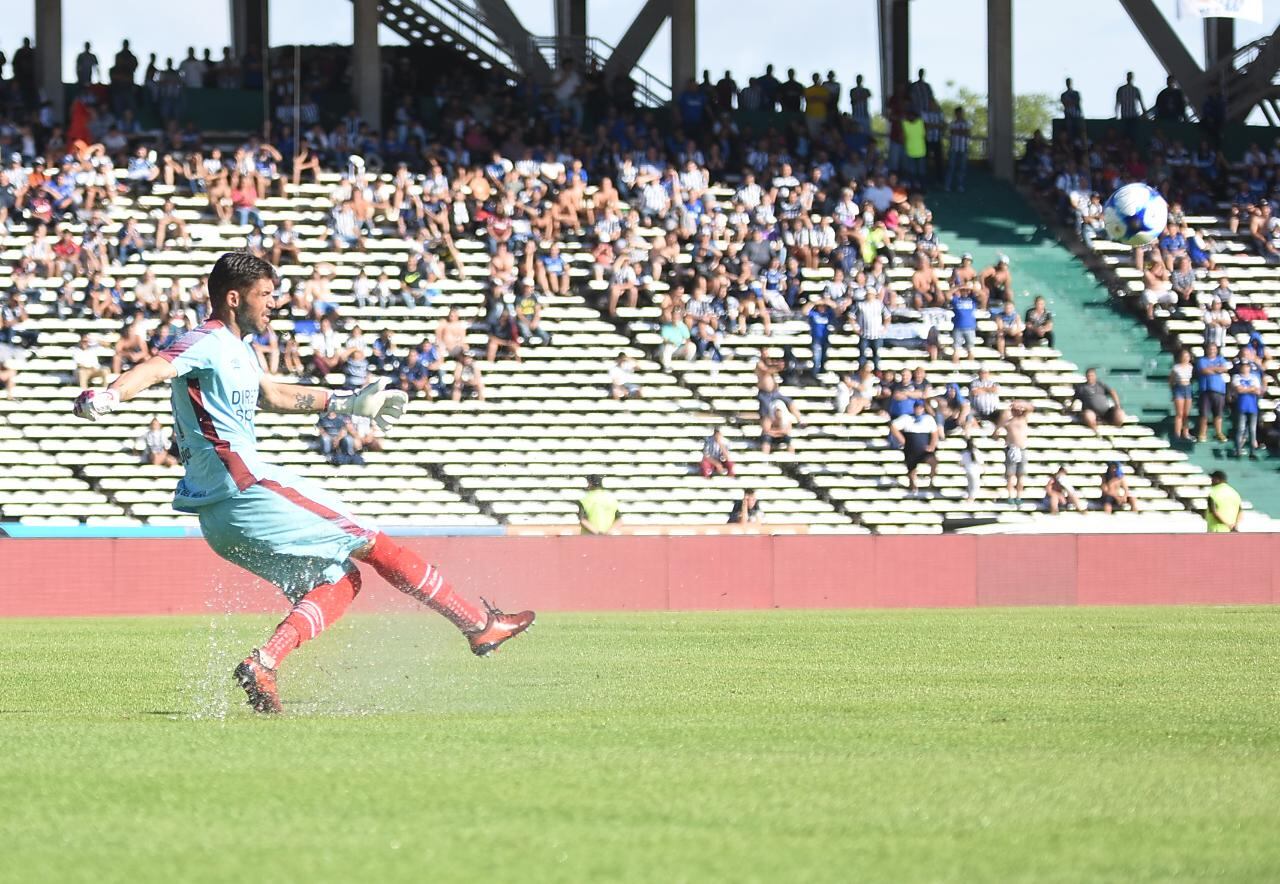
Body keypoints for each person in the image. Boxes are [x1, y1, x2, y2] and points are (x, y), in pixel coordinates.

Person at [71, 252, 533, 714]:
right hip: (248, 489)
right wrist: (112, 394)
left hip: (221, 518)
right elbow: (157, 366)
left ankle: (264, 664)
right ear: (234, 298)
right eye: (265, 296)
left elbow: (272, 395)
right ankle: (477, 625)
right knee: (373, 543)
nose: (274, 305)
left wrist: (348, 402)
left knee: (340, 580)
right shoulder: (206, 341)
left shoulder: (236, 349)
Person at [889, 399, 939, 496]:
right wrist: (902, 439)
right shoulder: (906, 418)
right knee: (912, 469)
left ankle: (931, 481)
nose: (918, 409)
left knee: (934, 461)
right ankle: (913, 487)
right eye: (917, 407)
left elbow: (934, 433)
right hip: (911, 447)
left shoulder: (928, 419)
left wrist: (932, 445)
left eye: (920, 407)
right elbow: (893, 426)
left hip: (924, 448)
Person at [997, 401, 1034, 504]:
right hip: (1012, 448)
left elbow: (1030, 408)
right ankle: (1010, 496)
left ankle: (1019, 496)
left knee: (1020, 475)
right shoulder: (1008, 421)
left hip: (1022, 448)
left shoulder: (1024, 419)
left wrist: (1020, 404)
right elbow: (1001, 421)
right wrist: (1010, 408)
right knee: (1010, 475)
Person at [1195, 342, 1230, 443]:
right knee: (1204, 414)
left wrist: (1213, 369)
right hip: (1206, 390)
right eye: (1210, 349)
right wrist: (1217, 370)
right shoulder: (1202, 360)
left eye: (1214, 349)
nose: (1212, 351)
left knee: (1218, 413)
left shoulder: (1220, 359)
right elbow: (1204, 370)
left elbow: (1224, 369)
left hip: (1219, 390)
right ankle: (1202, 433)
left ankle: (1219, 432)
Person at [1232, 361, 1261, 458]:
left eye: (1247, 366)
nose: (1245, 368)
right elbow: (1238, 389)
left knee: (1253, 430)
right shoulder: (1237, 377)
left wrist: (1245, 389)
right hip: (1241, 406)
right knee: (1240, 429)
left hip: (1252, 407)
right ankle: (1238, 450)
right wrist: (1251, 389)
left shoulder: (1254, 377)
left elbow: (1258, 391)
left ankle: (1253, 452)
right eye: (1243, 366)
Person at [1169, 348, 1194, 441]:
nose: (1186, 358)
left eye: (1187, 356)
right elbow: (1171, 380)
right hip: (1179, 388)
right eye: (1184, 356)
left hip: (1188, 388)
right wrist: (1173, 390)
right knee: (1179, 413)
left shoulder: (1191, 367)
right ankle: (1177, 434)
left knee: (1186, 414)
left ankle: (1186, 433)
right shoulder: (1176, 367)